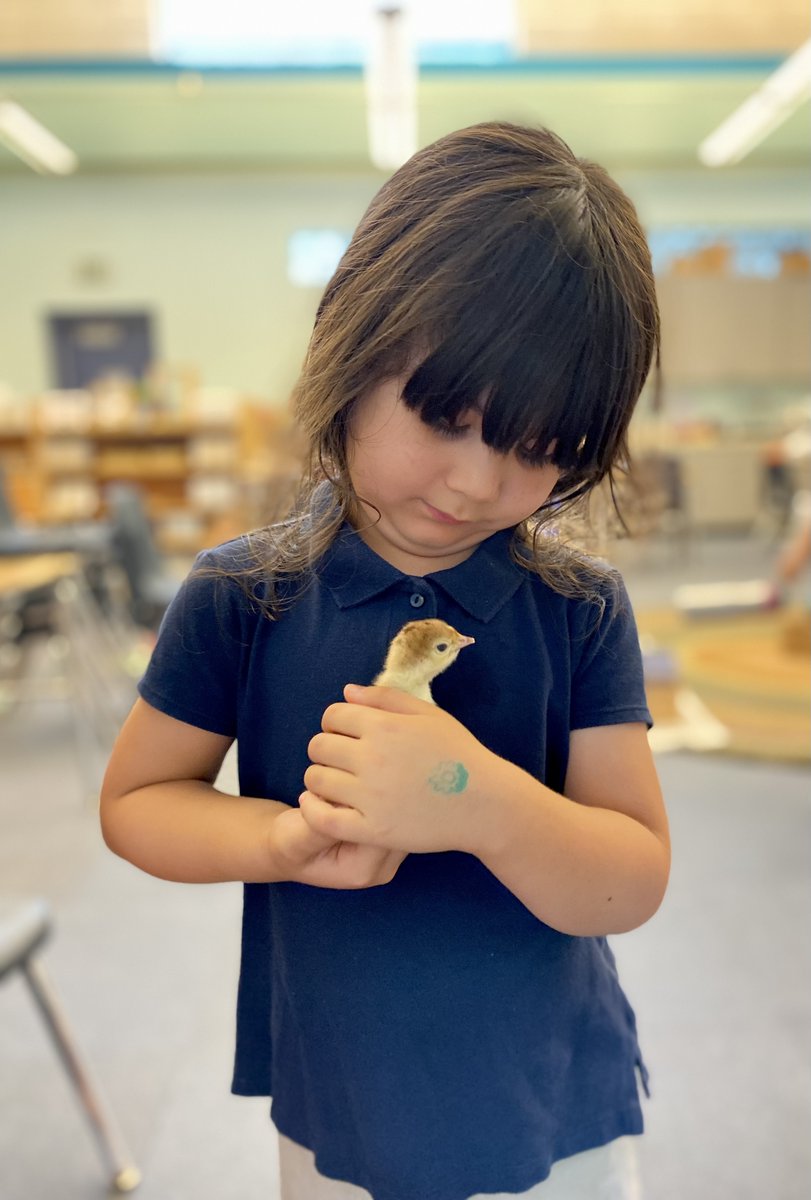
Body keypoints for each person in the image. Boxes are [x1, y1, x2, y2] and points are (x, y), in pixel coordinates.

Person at [100, 122, 670, 1200]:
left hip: (555, 1108)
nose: (473, 481)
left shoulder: (578, 608)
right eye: (443, 416)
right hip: (339, 1099)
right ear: (350, 351)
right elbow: (137, 802)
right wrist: (278, 837)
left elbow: (631, 876)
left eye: (540, 449)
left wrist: (477, 801)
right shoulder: (244, 596)